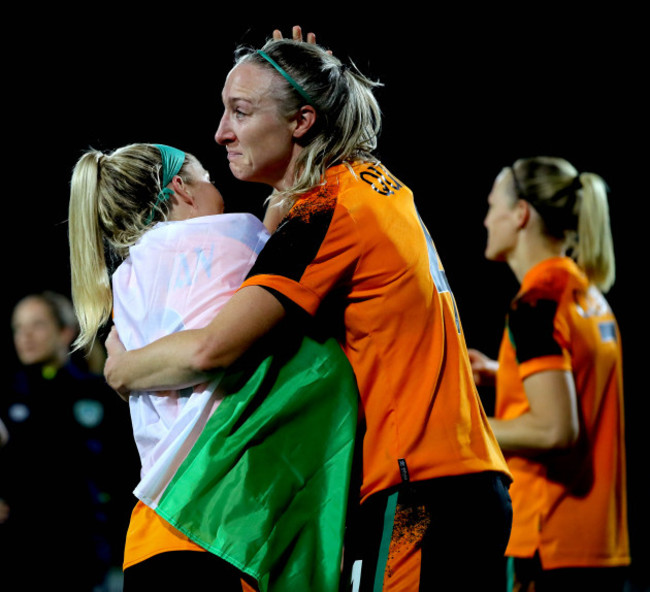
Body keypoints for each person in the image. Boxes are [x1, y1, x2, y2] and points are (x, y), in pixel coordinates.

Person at [103, 30, 513, 592]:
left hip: (416, 494)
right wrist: (296, 75)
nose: (221, 132)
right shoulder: (375, 186)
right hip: (454, 482)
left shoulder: (327, 212)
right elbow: (286, 229)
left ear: (301, 122)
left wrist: (120, 366)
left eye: (241, 112)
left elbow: (211, 347)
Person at [68, 142, 359, 592]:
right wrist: (277, 222)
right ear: (181, 188)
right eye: (206, 177)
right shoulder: (236, 236)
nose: (216, 185)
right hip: (222, 521)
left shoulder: (123, 283)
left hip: (152, 530)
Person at [469, 157, 630, 591]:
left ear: (520, 214)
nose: (486, 220)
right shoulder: (585, 294)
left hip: (550, 539)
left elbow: (556, 430)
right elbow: (578, 384)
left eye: (491, 206)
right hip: (596, 540)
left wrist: (463, 429)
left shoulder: (536, 304)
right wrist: (502, 373)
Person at [0, 291, 138, 591]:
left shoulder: (99, 392)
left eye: (36, 325)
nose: (25, 336)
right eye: (18, 328)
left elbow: (125, 469)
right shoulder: (7, 393)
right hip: (18, 549)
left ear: (65, 332)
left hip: (84, 549)